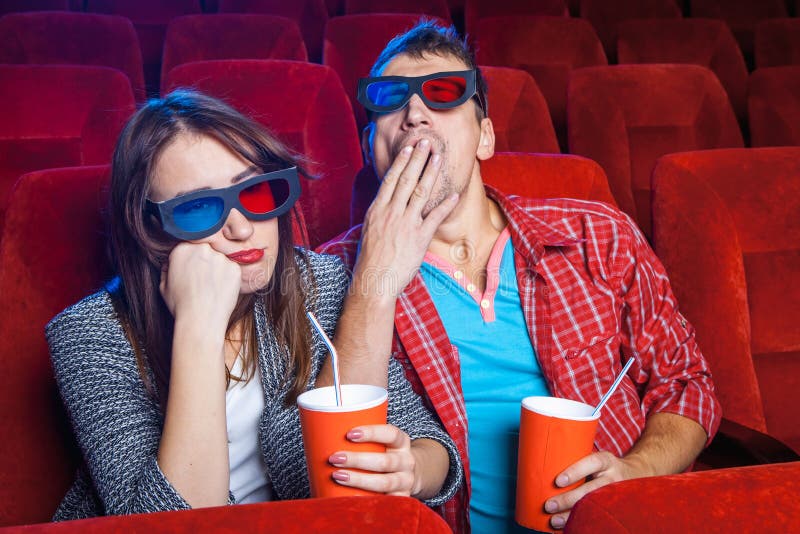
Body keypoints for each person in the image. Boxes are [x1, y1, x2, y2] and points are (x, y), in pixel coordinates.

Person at [317, 21, 721, 533]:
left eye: (442, 94)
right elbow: (339, 467)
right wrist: (373, 277)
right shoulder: (331, 273)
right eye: (391, 101)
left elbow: (687, 384)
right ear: (371, 143)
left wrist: (635, 472)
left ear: (485, 138)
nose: (415, 114)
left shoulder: (596, 234)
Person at [46, 89, 462, 520]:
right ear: (149, 227)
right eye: (198, 209)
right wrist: (198, 326)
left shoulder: (318, 284)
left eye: (257, 192)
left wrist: (409, 471)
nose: (242, 229)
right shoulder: (90, 334)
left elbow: (432, 447)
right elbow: (169, 523)